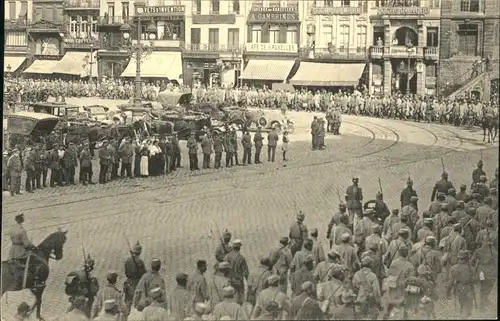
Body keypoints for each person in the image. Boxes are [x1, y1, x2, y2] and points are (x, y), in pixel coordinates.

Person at [224, 239, 249, 305]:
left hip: (228, 281)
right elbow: (246, 272)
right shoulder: (241, 258)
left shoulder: (227, 256)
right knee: (239, 301)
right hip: (238, 282)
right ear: (239, 247)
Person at [124, 241, 147, 310]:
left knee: (128, 302)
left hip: (128, 282)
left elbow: (126, 272)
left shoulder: (127, 261)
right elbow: (144, 273)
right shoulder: (140, 262)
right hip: (137, 283)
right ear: (140, 252)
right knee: (137, 302)